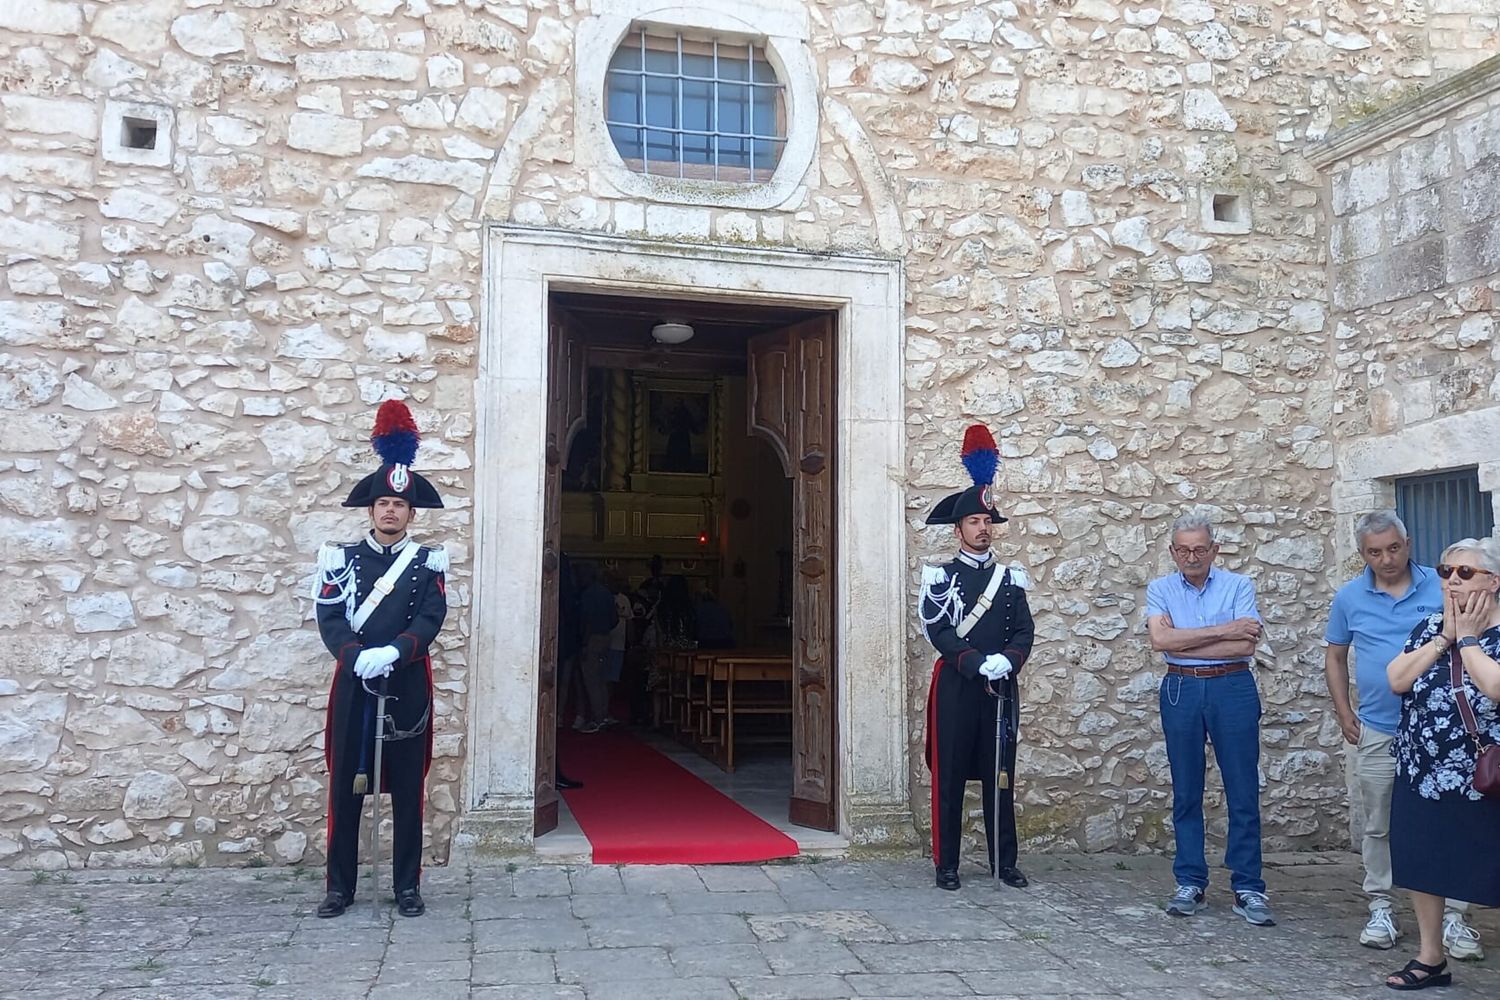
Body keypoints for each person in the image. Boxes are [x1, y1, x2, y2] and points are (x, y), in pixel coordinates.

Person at [311, 400, 448, 919]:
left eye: (399, 504)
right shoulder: (340, 560)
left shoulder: (427, 563)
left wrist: (396, 650)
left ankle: (407, 885)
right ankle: (339, 887)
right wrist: (355, 656)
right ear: (370, 510)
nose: (391, 511)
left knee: (408, 787)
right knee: (346, 786)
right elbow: (330, 617)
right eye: (383, 503)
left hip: (407, 682)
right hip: (355, 683)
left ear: (412, 513)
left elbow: (431, 617)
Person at [1325, 511, 1479, 955]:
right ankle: (1380, 907)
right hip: (1380, 727)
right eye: (1375, 552)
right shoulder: (1349, 598)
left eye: (1393, 548)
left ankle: (1455, 917)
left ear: (1408, 544)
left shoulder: (1443, 585)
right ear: (1362, 554)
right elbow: (1335, 656)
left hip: (1442, 733)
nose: (1387, 559)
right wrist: (1344, 711)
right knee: (1379, 822)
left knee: (1451, 822)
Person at [918, 424, 1034, 891]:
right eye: (974, 522)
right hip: (957, 686)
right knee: (950, 775)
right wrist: (972, 661)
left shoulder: (1011, 578)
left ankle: (1004, 861)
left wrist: (1010, 660)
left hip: (1000, 688)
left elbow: (1024, 629)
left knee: (999, 774)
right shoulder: (940, 577)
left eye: (988, 521)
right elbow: (938, 630)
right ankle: (947, 863)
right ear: (958, 529)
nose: (983, 528)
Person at [1381, 537, 1500, 991]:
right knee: (1424, 862)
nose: (1452, 580)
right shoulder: (1431, 627)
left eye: (1465, 573)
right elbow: (1396, 679)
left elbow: (1494, 687)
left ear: (1494, 581)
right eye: (1446, 571)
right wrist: (1444, 638)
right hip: (1424, 771)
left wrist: (1467, 640)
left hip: (1484, 778)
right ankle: (1431, 957)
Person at [1145, 511, 1274, 927]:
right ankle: (1190, 881)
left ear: (1215, 550)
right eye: (1183, 550)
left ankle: (1248, 885)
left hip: (1232, 684)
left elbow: (1245, 647)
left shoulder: (1239, 585)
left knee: (1242, 788)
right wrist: (1224, 630)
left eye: (1200, 549)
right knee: (1186, 789)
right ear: (1173, 552)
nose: (1192, 557)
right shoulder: (1160, 588)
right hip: (1181, 687)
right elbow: (1161, 641)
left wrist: (1184, 642)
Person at [574, 562, 617, 733]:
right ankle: (604, 715)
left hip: (591, 640)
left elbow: (586, 621)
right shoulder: (606, 593)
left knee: (591, 681)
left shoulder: (587, 595)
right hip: (606, 638)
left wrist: (584, 643)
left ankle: (597, 718)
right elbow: (614, 619)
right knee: (602, 679)